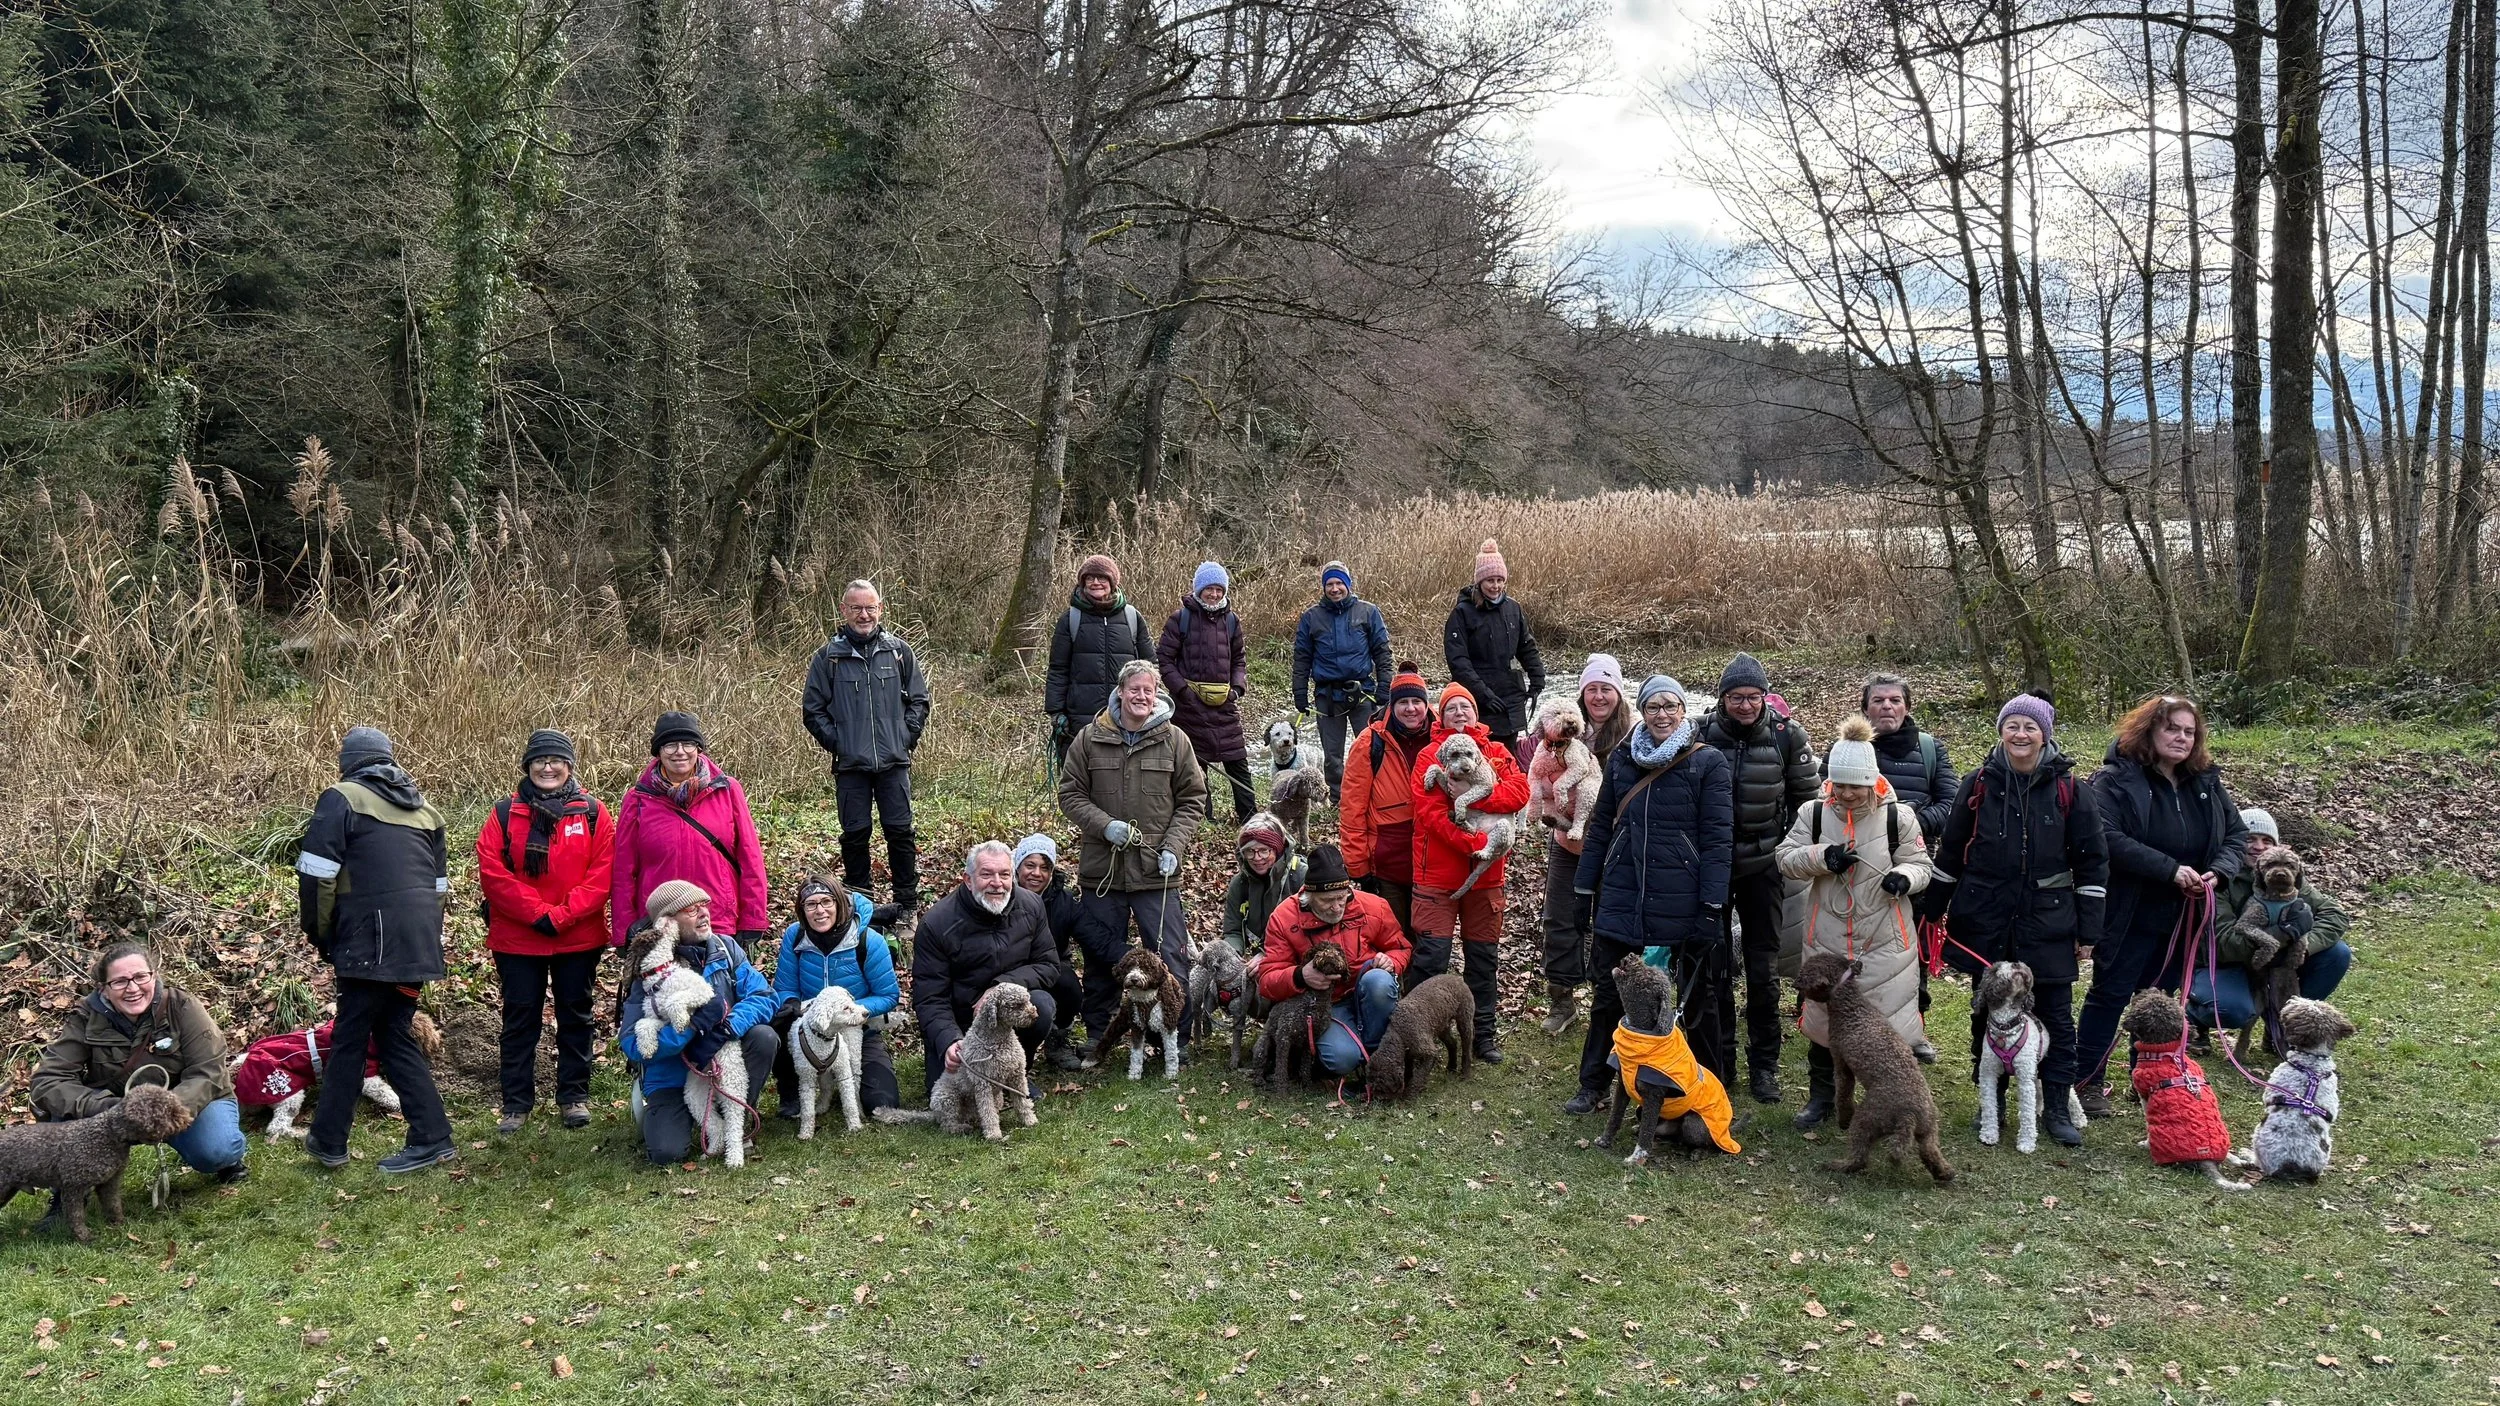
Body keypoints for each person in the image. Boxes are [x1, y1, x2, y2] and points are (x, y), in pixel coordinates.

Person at [1922, 692, 2106, 1147]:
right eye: (2012, 726)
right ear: (2001, 731)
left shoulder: (2072, 791)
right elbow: (1950, 854)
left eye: (2030, 727)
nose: (2020, 735)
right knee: (1986, 1011)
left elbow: (2092, 864)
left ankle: (2058, 1107)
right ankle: (1993, 1103)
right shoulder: (1978, 784)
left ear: (2045, 734)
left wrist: (2089, 931)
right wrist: (1931, 910)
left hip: (2048, 922)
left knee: (2058, 1017)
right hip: (1985, 919)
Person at [1566, 675, 1735, 1114]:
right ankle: (1594, 1083)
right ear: (1641, 710)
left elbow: (1718, 840)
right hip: (1624, 892)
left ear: (1683, 710)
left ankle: (1707, 1085)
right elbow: (1602, 823)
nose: (1662, 714)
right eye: (1653, 706)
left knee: (1698, 997)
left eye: (1670, 706)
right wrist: (1584, 886)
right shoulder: (1623, 758)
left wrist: (1712, 906)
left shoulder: (1708, 763)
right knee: (1609, 992)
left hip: (1683, 895)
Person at [2074, 693, 2249, 1117]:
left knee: (2160, 997)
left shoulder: (2206, 782)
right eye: (2172, 728)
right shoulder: (2114, 781)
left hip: (2183, 915)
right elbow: (2107, 837)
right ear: (2149, 730)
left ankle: (2148, 1077)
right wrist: (2169, 869)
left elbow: (2236, 836)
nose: (2182, 738)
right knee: (2111, 994)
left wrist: (2218, 873)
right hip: (2129, 909)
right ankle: (2086, 1081)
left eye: (2190, 731)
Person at [294, 725, 456, 1173]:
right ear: (389, 760)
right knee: (392, 1034)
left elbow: (317, 876)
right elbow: (439, 888)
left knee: (349, 1039)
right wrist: (422, 936)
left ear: (348, 761)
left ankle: (329, 1142)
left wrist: (322, 935)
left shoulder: (341, 797)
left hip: (367, 945)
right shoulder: (427, 810)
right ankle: (431, 1135)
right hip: (416, 945)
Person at [1777, 716, 1932, 1129]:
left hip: (1884, 939)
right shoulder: (1812, 813)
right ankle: (1822, 1097)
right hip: (1827, 936)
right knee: (1823, 1021)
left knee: (1886, 1021)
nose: (1846, 794)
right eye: (1838, 784)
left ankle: (1890, 1099)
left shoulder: (1898, 818)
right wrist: (1822, 857)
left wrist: (1906, 878)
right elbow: (1785, 858)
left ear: (1872, 781)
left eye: (1854, 786)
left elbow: (1922, 866)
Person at [1057, 660, 1210, 1042]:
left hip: (1156, 873)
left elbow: (1193, 799)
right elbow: (1069, 793)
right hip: (1102, 872)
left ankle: (1175, 1036)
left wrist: (1173, 845)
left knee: (1170, 956)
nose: (1142, 696)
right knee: (1100, 957)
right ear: (1120, 692)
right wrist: (1104, 825)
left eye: (1149, 690)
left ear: (1157, 694)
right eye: (1135, 689)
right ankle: (1099, 1033)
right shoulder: (1090, 738)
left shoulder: (1175, 740)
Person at [475, 729, 612, 1135]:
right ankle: (516, 1104)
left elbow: (604, 872)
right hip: (518, 938)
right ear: (528, 767)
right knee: (520, 1020)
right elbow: (492, 873)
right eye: (539, 761)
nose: (547, 767)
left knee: (576, 1015)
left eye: (555, 760)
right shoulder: (504, 814)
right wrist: (538, 914)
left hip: (578, 935)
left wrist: (564, 915)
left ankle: (574, 1097)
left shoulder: (592, 812)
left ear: (569, 766)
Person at [1696, 652, 1819, 1105]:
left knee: (1763, 969)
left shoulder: (1788, 737)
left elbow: (1808, 804)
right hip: (1712, 864)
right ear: (1723, 697)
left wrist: (1784, 851)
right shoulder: (1701, 734)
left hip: (1765, 865)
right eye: (1735, 697)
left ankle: (1764, 1065)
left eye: (1752, 697)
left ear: (1765, 697)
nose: (1744, 705)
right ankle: (1719, 1060)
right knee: (1713, 965)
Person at [32, 942, 246, 1190]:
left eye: (140, 977)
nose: (132, 988)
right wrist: (108, 1108)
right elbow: (49, 1080)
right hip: (116, 1110)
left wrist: (165, 1110)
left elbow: (208, 1072)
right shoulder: (86, 1017)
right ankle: (65, 1194)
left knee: (216, 1150)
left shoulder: (182, 1006)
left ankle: (227, 1161)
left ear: (153, 976)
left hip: (183, 1104)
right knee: (61, 1117)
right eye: (120, 981)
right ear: (104, 988)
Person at [1409, 681, 1529, 1062]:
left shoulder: (1496, 753)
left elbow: (1520, 792)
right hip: (1437, 876)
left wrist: (1478, 796)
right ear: (1440, 717)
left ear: (1477, 714)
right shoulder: (1430, 756)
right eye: (1451, 708)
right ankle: (1417, 1034)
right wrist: (1475, 843)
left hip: (1487, 878)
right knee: (1431, 958)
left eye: (1466, 707)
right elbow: (1429, 815)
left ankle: (1483, 1038)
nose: (1459, 713)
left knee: (1483, 958)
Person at [620, 881, 779, 1164]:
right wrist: (689, 1032)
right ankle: (666, 1112)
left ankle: (737, 1120)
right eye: (691, 910)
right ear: (667, 922)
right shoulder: (648, 970)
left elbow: (765, 996)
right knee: (666, 1153)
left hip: (721, 1060)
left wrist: (726, 1028)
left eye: (705, 906)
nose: (704, 914)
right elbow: (632, 1043)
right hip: (671, 1075)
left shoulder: (726, 948)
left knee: (763, 1036)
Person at [802, 580, 934, 911]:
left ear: (881, 609)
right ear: (843, 610)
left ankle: (906, 904)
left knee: (901, 833)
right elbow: (813, 710)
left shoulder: (899, 652)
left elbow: (919, 700)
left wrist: (906, 737)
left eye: (870, 608)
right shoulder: (828, 658)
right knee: (855, 836)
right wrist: (840, 743)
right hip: (851, 766)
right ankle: (862, 907)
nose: (864, 615)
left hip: (894, 762)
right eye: (857, 608)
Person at [1521, 653, 1634, 1035]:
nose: (1599, 697)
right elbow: (1535, 770)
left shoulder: (1634, 732)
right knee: (1559, 917)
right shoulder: (1562, 730)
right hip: (1567, 841)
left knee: (1612, 922)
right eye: (1592, 690)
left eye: (1606, 689)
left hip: (1617, 847)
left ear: (1618, 693)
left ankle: (1611, 997)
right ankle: (1562, 999)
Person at [912, 842, 1064, 1097]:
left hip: (1007, 1015)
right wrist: (949, 1040)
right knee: (948, 1095)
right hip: (961, 1021)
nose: (997, 883)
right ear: (968, 880)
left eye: (1004, 874)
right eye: (986, 874)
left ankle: (1014, 1074)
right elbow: (930, 997)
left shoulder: (1032, 906)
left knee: (1041, 1004)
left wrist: (999, 988)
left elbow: (1048, 965)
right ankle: (972, 1067)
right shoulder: (936, 924)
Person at [610, 712, 770, 951]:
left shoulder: (727, 790)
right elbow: (623, 871)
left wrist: (753, 919)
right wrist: (624, 931)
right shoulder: (638, 799)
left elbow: (750, 858)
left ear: (698, 748)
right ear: (659, 750)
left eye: (688, 743)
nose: (680, 751)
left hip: (718, 920)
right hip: (660, 924)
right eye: (670, 744)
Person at [2191, 808, 2352, 1036]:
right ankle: (2195, 1018)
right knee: (2232, 1010)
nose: (2259, 846)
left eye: (2267, 840)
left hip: (2274, 962)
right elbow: (2223, 942)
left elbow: (2335, 915)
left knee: (2338, 954)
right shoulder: (2219, 878)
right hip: (2225, 963)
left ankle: (2283, 1023)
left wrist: (2304, 945)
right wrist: (2284, 935)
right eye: (2250, 839)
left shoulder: (2286, 875)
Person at [1255, 844, 1410, 1080]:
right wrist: (1300, 976)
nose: (1337, 906)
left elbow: (1401, 948)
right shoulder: (1284, 918)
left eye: (1342, 897)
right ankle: (1354, 1055)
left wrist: (1391, 961)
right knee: (1339, 1059)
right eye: (1327, 900)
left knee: (1380, 980)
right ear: (1308, 895)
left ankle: (1377, 1053)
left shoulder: (1373, 907)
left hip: (1367, 994)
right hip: (1324, 1006)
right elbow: (1267, 980)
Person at [767, 875, 902, 1118]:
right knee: (777, 1021)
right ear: (802, 909)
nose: (820, 911)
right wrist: (795, 1005)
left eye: (827, 902)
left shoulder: (868, 940)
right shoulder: (794, 936)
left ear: (839, 903)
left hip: (859, 1027)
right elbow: (785, 988)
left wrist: (846, 1011)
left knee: (882, 1103)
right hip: (809, 1026)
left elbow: (889, 995)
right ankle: (792, 1091)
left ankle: (853, 1081)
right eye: (811, 904)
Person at [1339, 664, 1433, 936]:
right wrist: (1357, 864)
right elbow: (1352, 808)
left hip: (1434, 859)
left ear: (1426, 704)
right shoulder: (1370, 742)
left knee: (1429, 941)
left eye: (1417, 701)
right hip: (1388, 860)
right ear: (1392, 705)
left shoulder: (1444, 736)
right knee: (1392, 938)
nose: (1411, 708)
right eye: (1403, 702)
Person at [1158, 561, 1253, 822]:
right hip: (1189, 709)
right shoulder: (1181, 619)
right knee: (1196, 768)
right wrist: (1183, 693)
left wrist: (1236, 689)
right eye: (1209, 589)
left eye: (1219, 590)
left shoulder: (1232, 621)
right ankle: (1203, 819)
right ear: (1199, 590)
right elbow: (1164, 660)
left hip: (1225, 705)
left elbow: (1239, 660)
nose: (1213, 594)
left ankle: (1250, 818)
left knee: (1238, 763)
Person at [1292, 561, 1393, 801]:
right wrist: (1299, 692)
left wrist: (1384, 688)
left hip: (1363, 693)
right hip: (1327, 697)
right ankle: (1338, 800)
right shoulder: (1311, 617)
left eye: (1339, 583)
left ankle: (1376, 796)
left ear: (1348, 585)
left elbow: (1383, 652)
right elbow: (1302, 658)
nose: (1335, 589)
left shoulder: (1368, 612)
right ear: (1323, 587)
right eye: (1330, 584)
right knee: (1333, 756)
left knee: (1372, 748)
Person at [1045, 554, 1155, 763]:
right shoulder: (1070, 619)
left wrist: (1154, 703)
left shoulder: (1132, 618)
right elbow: (1058, 669)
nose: (1096, 582)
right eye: (1090, 578)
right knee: (1079, 780)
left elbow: (1151, 667)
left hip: (1126, 716)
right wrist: (1056, 712)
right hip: (1080, 719)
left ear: (1112, 582)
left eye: (1102, 578)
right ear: (1083, 582)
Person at [1441, 537, 1544, 760]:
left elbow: (1526, 645)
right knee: (1479, 756)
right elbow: (1458, 661)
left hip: (1510, 693)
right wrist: (1483, 694)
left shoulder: (1513, 608)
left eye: (1499, 580)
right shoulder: (1462, 613)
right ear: (1479, 582)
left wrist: (1537, 676)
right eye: (1490, 580)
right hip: (1478, 697)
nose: (1495, 586)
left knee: (1508, 757)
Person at [1011, 833, 1088, 1068]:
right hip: (1007, 970)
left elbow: (1094, 936)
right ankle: (1014, 1056)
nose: (1036, 873)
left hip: (1048, 968)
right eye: (1030, 865)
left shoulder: (1063, 901)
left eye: (1044, 868)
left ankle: (1057, 1039)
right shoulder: (1000, 894)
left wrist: (1125, 955)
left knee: (1069, 985)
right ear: (1017, 866)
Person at [1220, 812, 1305, 955]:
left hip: (1295, 958)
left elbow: (1310, 933)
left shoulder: (1300, 876)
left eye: (1264, 850)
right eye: (1249, 851)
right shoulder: (1240, 883)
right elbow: (1233, 931)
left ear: (1277, 849)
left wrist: (1267, 954)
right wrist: (1232, 954)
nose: (1257, 858)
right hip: (1257, 959)